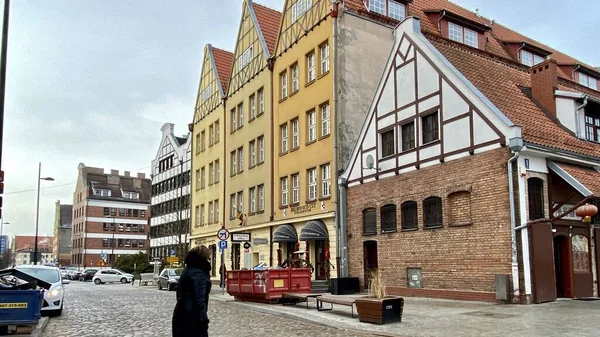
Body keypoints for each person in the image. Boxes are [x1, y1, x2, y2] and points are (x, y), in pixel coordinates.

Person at [172, 246, 212, 337]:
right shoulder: (199, 273)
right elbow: (199, 299)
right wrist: (203, 319)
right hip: (193, 315)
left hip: (181, 311)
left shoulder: (187, 270)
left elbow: (179, 293)